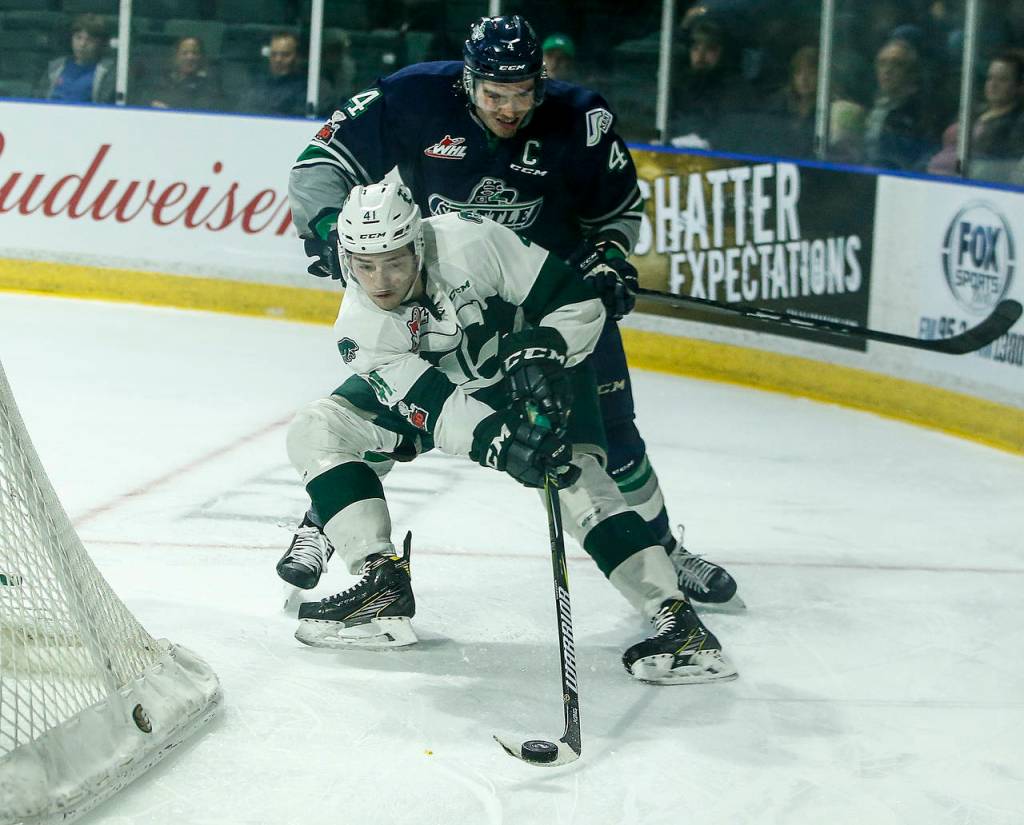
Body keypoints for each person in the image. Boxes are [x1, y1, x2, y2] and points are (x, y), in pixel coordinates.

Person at [284, 14, 740, 610]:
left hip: (549, 303)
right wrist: (327, 231)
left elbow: (618, 210)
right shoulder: (413, 96)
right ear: (467, 81)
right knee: (393, 407)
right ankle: (326, 521)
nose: (507, 108)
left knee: (614, 438)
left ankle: (665, 554)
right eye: (494, 94)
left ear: (541, 83)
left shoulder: (579, 120)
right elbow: (321, 164)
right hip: (448, 297)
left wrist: (607, 258)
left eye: (521, 94)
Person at [287, 180, 737, 685]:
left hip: (537, 376)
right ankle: (380, 584)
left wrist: (545, 346)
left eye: (394, 260)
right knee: (317, 428)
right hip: (449, 390)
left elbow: (579, 303)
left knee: (577, 484)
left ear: (418, 244)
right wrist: (501, 444)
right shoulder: (361, 329)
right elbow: (441, 412)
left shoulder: (471, 241)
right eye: (364, 265)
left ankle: (677, 622)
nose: (380, 280)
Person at [928, 51, 1024, 183]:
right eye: (990, 78)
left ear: (1019, 86)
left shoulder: (1018, 123)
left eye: (1002, 80)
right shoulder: (971, 110)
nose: (993, 84)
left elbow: (1001, 163)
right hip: (931, 175)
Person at [668, 15, 753, 151]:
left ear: (722, 52)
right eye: (695, 48)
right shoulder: (676, 85)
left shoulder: (736, 89)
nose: (700, 56)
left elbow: (733, 131)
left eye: (709, 49)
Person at [863, 36, 937, 170]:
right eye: (882, 63)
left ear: (912, 73)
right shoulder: (868, 104)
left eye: (897, 64)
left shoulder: (920, 113)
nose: (887, 70)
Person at [36, 13, 115, 105]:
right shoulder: (56, 67)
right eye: (78, 37)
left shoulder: (106, 72)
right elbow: (39, 99)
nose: (82, 44)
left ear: (100, 44)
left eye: (89, 40)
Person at [237, 31, 310, 117]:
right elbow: (242, 112)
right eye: (273, 54)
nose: (278, 59)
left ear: (298, 57)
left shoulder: (311, 89)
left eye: (286, 55)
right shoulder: (257, 85)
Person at [144, 36, 223, 111]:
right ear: (175, 56)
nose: (190, 57)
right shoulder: (158, 79)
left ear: (201, 57)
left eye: (195, 53)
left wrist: (169, 111)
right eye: (184, 53)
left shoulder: (209, 86)